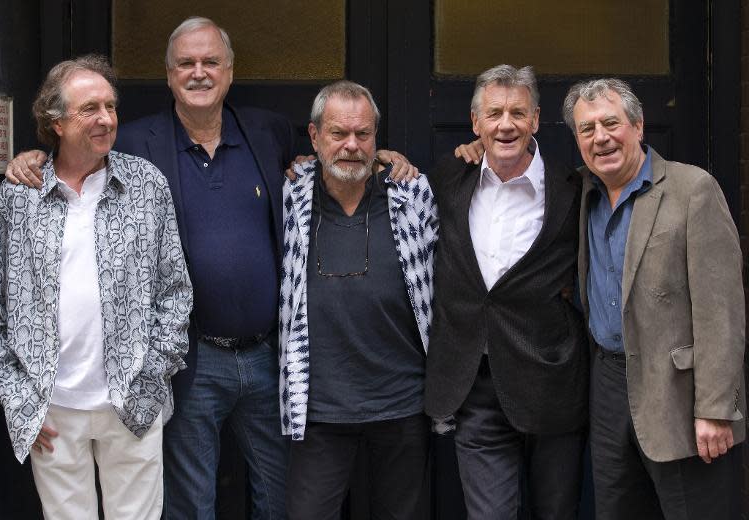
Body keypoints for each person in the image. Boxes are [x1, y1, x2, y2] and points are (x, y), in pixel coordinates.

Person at [5, 16, 416, 519]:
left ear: (229, 71)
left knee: (280, 493)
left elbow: (341, 149)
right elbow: (76, 153)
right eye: (186, 63)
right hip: (193, 360)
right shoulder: (132, 143)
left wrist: (385, 159)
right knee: (189, 501)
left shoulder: (267, 132)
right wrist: (33, 157)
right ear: (169, 74)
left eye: (210, 62)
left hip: (269, 357)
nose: (199, 73)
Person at [0, 54, 192, 520]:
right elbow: (0, 313)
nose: (106, 119)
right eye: (90, 109)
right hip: (52, 405)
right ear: (55, 122)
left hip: (131, 400)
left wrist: (150, 378)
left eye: (111, 107)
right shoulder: (19, 199)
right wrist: (20, 401)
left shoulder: (145, 185)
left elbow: (175, 292)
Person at [562, 78, 746, 519]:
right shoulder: (581, 192)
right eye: (586, 130)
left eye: (611, 123)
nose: (601, 138)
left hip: (679, 394)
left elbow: (721, 310)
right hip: (607, 384)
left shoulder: (692, 190)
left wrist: (716, 408)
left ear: (639, 126)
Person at [425, 64, 589, 519]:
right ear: (476, 124)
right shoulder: (448, 178)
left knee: (556, 512)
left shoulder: (573, 189)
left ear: (536, 120)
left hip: (552, 383)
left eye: (518, 112)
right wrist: (385, 159)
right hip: (475, 383)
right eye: (493, 113)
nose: (506, 124)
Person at [279, 80, 437, 519]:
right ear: (314, 137)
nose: (351, 145)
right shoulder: (290, 195)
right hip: (321, 409)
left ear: (376, 139)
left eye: (363, 134)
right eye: (338, 133)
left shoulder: (412, 194)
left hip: (402, 402)